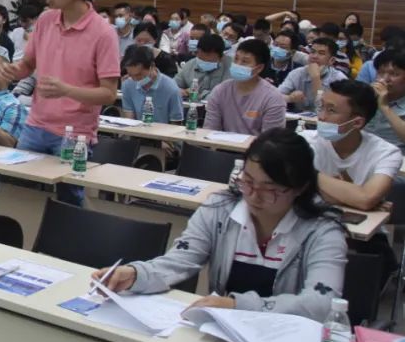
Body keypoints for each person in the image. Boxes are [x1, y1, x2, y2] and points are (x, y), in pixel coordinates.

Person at [91, 128, 347, 321]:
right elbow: (180, 260)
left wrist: (237, 306)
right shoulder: (221, 209)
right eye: (247, 181)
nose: (253, 196)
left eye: (270, 189)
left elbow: (321, 304)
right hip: (224, 329)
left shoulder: (322, 231)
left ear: (300, 187)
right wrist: (135, 274)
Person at [1, 0, 120, 206]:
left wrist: (67, 90)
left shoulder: (103, 33)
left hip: (74, 134)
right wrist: (12, 70)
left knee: (70, 201)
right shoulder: (46, 20)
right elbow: (28, 65)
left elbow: (109, 93)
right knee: (18, 194)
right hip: (35, 125)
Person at [311, 80, 401, 211]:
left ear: (357, 123)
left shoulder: (387, 153)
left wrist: (309, 175)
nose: (321, 116)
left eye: (331, 110)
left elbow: (366, 199)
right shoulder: (304, 141)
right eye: (321, 107)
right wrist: (351, 198)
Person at [204, 39, 286, 136]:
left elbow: (271, 140)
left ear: (259, 68)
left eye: (244, 62)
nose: (237, 64)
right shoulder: (220, 90)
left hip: (258, 146)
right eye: (236, 59)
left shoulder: (273, 97)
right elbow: (209, 130)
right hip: (220, 144)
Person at [279, 38, 347, 112]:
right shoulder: (297, 73)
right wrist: (290, 98)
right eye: (312, 52)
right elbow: (275, 97)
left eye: (321, 53)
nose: (314, 56)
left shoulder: (340, 79)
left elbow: (321, 109)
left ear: (331, 60)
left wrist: (315, 78)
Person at [120, 46, 183, 124]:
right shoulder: (128, 85)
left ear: (152, 66)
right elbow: (129, 120)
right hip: (137, 130)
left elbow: (176, 124)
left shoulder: (171, 89)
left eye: (139, 75)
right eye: (130, 75)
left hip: (163, 131)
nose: (135, 79)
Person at [174, 33, 231, 102]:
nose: (204, 61)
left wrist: (197, 94)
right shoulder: (190, 64)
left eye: (208, 60)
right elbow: (173, 85)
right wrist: (180, 91)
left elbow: (225, 96)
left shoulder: (230, 69)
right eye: (200, 58)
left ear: (221, 57)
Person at [368, 49, 405, 150]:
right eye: (380, 73)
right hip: (364, 153)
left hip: (396, 155)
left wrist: (385, 107)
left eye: (394, 74)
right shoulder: (368, 95)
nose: (385, 79)